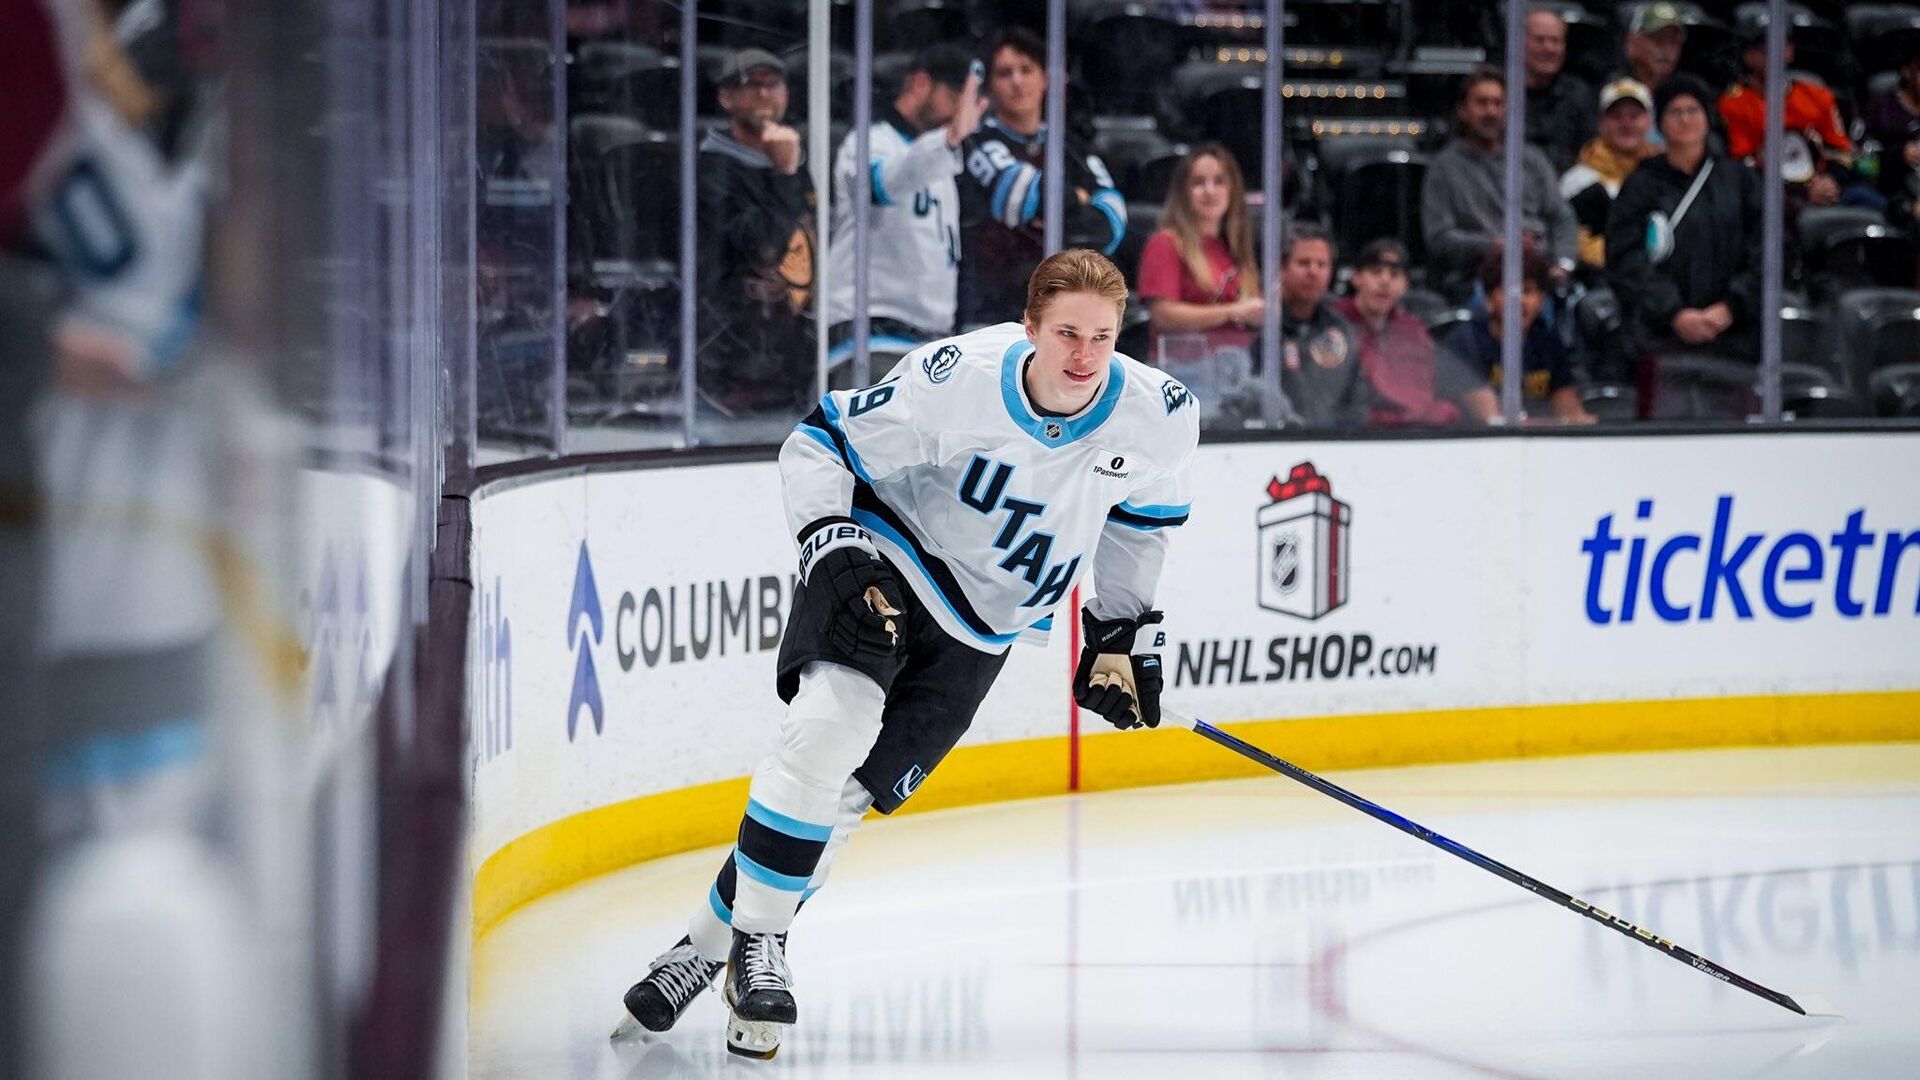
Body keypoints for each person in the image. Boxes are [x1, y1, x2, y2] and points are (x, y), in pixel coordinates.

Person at [612, 250, 1198, 1060]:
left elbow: (1141, 522)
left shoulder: (1158, 414)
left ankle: (705, 952)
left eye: (1102, 336)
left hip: (986, 629)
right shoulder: (959, 377)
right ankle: (762, 947)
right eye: (1067, 332)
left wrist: (1121, 633)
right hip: (894, 561)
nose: (1084, 355)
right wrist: (827, 540)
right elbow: (820, 441)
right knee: (832, 724)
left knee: (845, 801)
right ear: (1030, 327)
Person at [823, 44, 987, 374]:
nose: (961, 110)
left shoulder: (943, 161)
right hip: (870, 334)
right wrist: (948, 141)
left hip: (930, 343)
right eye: (955, 94)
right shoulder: (870, 141)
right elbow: (878, 185)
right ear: (920, 83)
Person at [957, 27, 1127, 328]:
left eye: (1026, 70)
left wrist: (1055, 207)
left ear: (1045, 79)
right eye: (1005, 73)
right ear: (991, 86)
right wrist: (1078, 199)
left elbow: (1112, 221)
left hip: (1061, 316)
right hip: (990, 315)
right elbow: (1030, 198)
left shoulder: (1069, 146)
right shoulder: (977, 142)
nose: (1017, 81)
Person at [1606, 75, 1764, 366]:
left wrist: (1731, 307)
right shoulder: (1641, 184)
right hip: (1660, 338)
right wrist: (1673, 312)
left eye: (1693, 110)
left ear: (1707, 118)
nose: (1685, 119)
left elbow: (1765, 249)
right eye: (1674, 112)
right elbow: (1625, 257)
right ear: (1660, 123)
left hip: (1735, 337)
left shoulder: (1740, 180)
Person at [697, 48, 818, 414]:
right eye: (752, 85)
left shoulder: (795, 159)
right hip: (730, 370)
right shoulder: (711, 167)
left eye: (774, 84)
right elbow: (765, 249)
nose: (765, 94)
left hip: (792, 367)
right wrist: (784, 176)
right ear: (726, 97)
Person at [1422, 67, 1580, 299]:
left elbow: (1562, 218)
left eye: (1498, 103)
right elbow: (1439, 237)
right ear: (1463, 110)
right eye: (1482, 103)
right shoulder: (1445, 167)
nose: (1491, 111)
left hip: (1541, 278)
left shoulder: (1532, 159)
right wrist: (1495, 246)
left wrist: (1563, 265)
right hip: (1477, 281)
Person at [1718, 28, 1883, 212]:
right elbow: (1743, 165)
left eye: (1780, 45)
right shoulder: (1733, 104)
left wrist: (1830, 180)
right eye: (1763, 48)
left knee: (1867, 198)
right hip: (1773, 195)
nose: (1773, 54)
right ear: (1748, 56)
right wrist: (1801, 191)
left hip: (1823, 185)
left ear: (1790, 51)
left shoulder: (1818, 95)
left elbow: (1841, 150)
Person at [1135, 143, 1263, 360]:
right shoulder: (1165, 244)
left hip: (1239, 364)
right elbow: (1164, 315)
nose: (1210, 191)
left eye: (1219, 181)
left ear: (1233, 190)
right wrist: (1233, 312)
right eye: (1198, 182)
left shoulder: (1234, 248)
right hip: (1184, 367)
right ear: (1183, 193)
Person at [1439, 250, 1596, 423]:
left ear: (1541, 300)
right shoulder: (1465, 341)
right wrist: (1556, 426)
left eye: (1528, 291)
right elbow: (1494, 421)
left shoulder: (1547, 341)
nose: (1520, 300)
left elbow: (1571, 414)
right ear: (1488, 300)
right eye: (1509, 291)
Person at [1332, 240, 1463, 427]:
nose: (1385, 281)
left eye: (1394, 275)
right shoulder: (1333, 323)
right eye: (1376, 272)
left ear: (1405, 284)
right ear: (1356, 277)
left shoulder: (1413, 331)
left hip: (1410, 433)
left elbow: (1421, 396)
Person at [1274, 223, 1367, 428]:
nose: (1313, 272)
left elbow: (1355, 400)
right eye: (1303, 263)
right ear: (1282, 268)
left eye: (1322, 264)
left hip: (1332, 440)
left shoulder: (1340, 328)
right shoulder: (1263, 326)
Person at [1561, 78, 1660, 270]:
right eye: (1616, 116)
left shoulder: (1665, 174)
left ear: (1649, 122)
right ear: (1601, 123)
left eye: (1635, 116)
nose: (1626, 124)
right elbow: (1569, 239)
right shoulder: (1578, 181)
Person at [1523, 8, 1597, 175]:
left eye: (1555, 41)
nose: (1549, 48)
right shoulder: (1500, 93)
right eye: (1540, 40)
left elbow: (1590, 150)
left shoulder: (1579, 94)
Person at [1863, 57, 1920, 230]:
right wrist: (1899, 152)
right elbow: (1862, 153)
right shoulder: (1883, 108)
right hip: (1892, 188)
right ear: (1908, 72)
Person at [1620, 3, 1685, 92]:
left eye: (1673, 41)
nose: (1667, 50)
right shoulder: (1613, 88)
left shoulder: (1686, 92)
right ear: (1632, 43)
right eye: (1658, 39)